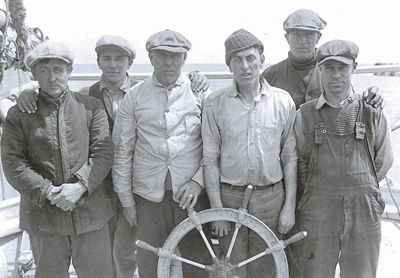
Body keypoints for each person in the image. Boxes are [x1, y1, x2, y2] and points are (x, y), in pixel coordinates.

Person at [14, 34, 210, 278]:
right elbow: (54, 89)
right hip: (104, 192)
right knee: (115, 255)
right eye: (106, 58)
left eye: (119, 58)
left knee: (155, 255)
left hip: (151, 189)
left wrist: (197, 76)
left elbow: (210, 147)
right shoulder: (88, 97)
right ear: (98, 62)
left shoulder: (150, 91)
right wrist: (27, 89)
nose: (113, 64)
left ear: (130, 63)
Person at [1, 41, 115, 278]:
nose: (52, 77)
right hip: (44, 218)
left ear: (69, 72)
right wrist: (48, 192)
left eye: (58, 70)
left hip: (90, 215)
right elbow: (13, 163)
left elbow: (102, 153)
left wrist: (80, 186)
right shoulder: (19, 114)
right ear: (34, 74)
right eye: (44, 71)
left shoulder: (91, 107)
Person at [112, 29, 212, 278]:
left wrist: (198, 182)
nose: (169, 62)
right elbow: (122, 153)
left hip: (192, 197)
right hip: (148, 200)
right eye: (162, 55)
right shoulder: (134, 97)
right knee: (150, 266)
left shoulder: (200, 93)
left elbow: (213, 148)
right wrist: (127, 202)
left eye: (176, 56)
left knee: (197, 265)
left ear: (185, 59)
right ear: (151, 58)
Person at [292, 39, 393, 278]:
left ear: (354, 68)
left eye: (343, 68)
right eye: (329, 68)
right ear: (320, 70)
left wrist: (361, 189)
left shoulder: (372, 111)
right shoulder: (304, 114)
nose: (336, 75)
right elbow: (297, 162)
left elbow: (383, 160)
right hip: (317, 212)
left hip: (363, 211)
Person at [202, 29, 297, 278]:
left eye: (250, 58)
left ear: (261, 61)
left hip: (271, 200)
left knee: (266, 268)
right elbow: (210, 160)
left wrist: (288, 207)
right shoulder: (214, 103)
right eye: (237, 60)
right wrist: (217, 211)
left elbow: (290, 157)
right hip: (229, 199)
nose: (245, 66)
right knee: (232, 269)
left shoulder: (283, 102)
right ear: (229, 66)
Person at [261, 9, 383, 110]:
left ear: (318, 37)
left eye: (309, 34)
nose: (302, 40)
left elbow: (350, 102)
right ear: (287, 38)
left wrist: (372, 94)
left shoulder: (332, 71)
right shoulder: (270, 75)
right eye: (296, 34)